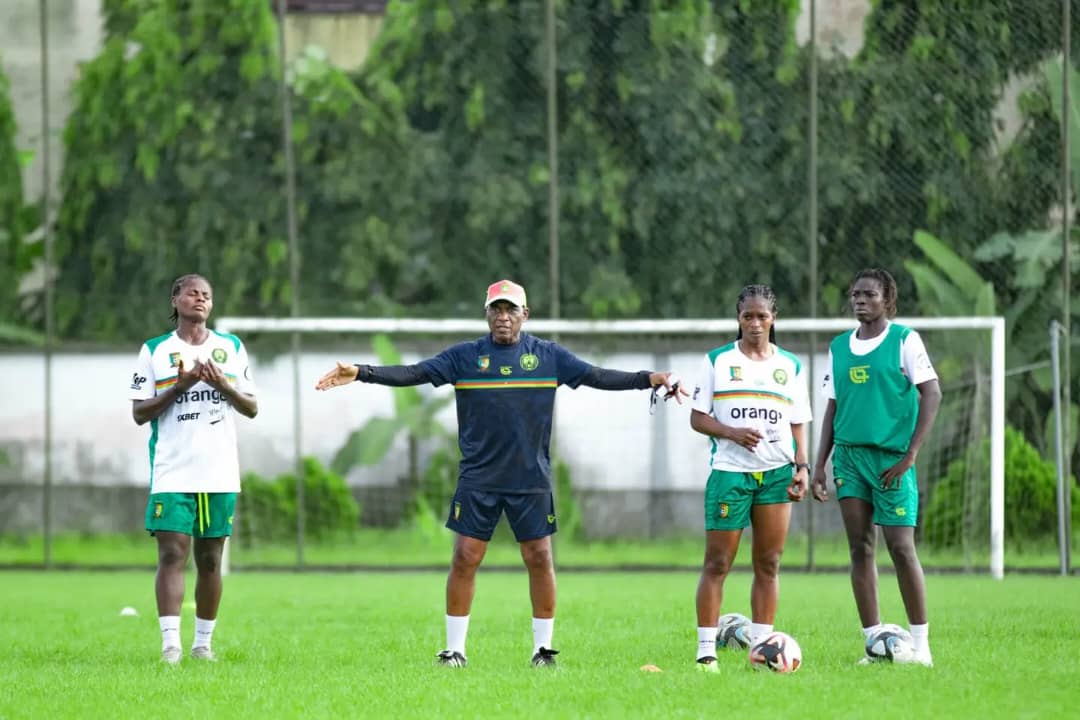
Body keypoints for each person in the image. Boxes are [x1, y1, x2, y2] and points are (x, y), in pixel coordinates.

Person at [315, 279, 686, 668]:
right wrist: (361, 372)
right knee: (465, 558)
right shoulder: (464, 357)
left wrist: (649, 378)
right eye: (496, 309)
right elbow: (415, 373)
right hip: (479, 479)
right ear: (486, 314)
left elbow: (597, 376)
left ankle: (543, 651)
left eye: (511, 310)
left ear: (525, 315)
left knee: (539, 557)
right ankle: (454, 650)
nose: (503, 317)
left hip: (531, 479)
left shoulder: (548, 356)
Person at [811, 268, 941, 667]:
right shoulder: (838, 347)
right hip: (850, 458)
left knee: (901, 548)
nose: (859, 300)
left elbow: (931, 393)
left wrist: (911, 454)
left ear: (887, 299)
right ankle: (874, 642)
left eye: (868, 294)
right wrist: (820, 465)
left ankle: (921, 646)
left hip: (892, 461)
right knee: (860, 547)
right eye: (855, 294)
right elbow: (833, 405)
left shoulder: (904, 340)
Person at [129, 273, 258, 664]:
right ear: (175, 301)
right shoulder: (154, 350)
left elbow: (251, 407)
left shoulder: (231, 347)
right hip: (173, 469)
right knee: (172, 554)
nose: (200, 299)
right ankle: (171, 645)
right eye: (192, 293)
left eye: (206, 295)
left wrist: (225, 387)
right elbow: (139, 413)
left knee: (210, 559)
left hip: (219, 470)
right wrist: (180, 387)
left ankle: (203, 645)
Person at [688, 284, 812, 672]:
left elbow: (798, 420)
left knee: (769, 563)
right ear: (738, 318)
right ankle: (706, 651)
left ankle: (762, 646)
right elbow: (697, 418)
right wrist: (731, 432)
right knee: (718, 563)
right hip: (730, 474)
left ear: (773, 318)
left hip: (777, 474)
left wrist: (803, 466)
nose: (755, 323)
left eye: (762, 316)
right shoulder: (717, 361)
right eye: (748, 316)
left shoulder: (789, 365)